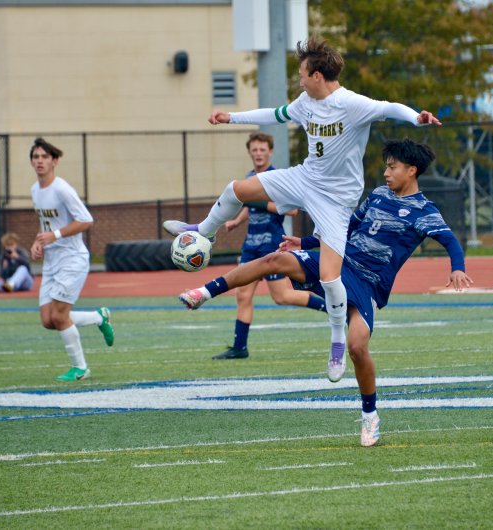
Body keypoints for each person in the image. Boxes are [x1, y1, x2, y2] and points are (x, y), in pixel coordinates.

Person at [166, 36, 442, 382]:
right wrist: (231, 117)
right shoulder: (305, 102)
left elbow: (389, 107)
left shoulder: (351, 103)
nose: (298, 79)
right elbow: (274, 114)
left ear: (317, 75)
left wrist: (417, 117)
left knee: (329, 277)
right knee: (236, 189)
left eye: (301, 74)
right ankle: (202, 232)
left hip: (336, 201)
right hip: (305, 178)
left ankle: (338, 339)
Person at [179, 138, 473, 446]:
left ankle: (370, 416)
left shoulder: (424, 210)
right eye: (386, 166)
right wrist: (305, 243)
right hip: (338, 261)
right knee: (273, 259)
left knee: (358, 347)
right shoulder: (377, 196)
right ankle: (204, 292)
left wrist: (457, 266)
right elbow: (345, 228)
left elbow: (450, 240)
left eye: (392, 167)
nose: (386, 172)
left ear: (411, 171)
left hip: (368, 284)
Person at [215, 132, 327, 360]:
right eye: (254, 150)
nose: (258, 153)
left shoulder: (276, 177)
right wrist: (237, 221)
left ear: (270, 152)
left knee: (282, 296)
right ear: (249, 152)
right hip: (251, 246)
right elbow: (250, 206)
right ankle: (239, 347)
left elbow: (292, 209)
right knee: (243, 295)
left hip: (271, 246)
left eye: (262, 150)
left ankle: (331, 307)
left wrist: (255, 201)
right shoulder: (250, 177)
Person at [28, 137, 115, 382]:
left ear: (54, 161)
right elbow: (46, 225)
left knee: (58, 316)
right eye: (36, 157)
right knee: (48, 320)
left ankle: (81, 368)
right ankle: (99, 317)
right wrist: (39, 242)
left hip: (72, 259)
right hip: (52, 262)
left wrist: (54, 235)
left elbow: (86, 220)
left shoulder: (62, 189)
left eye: (45, 157)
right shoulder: (35, 191)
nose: (40, 161)